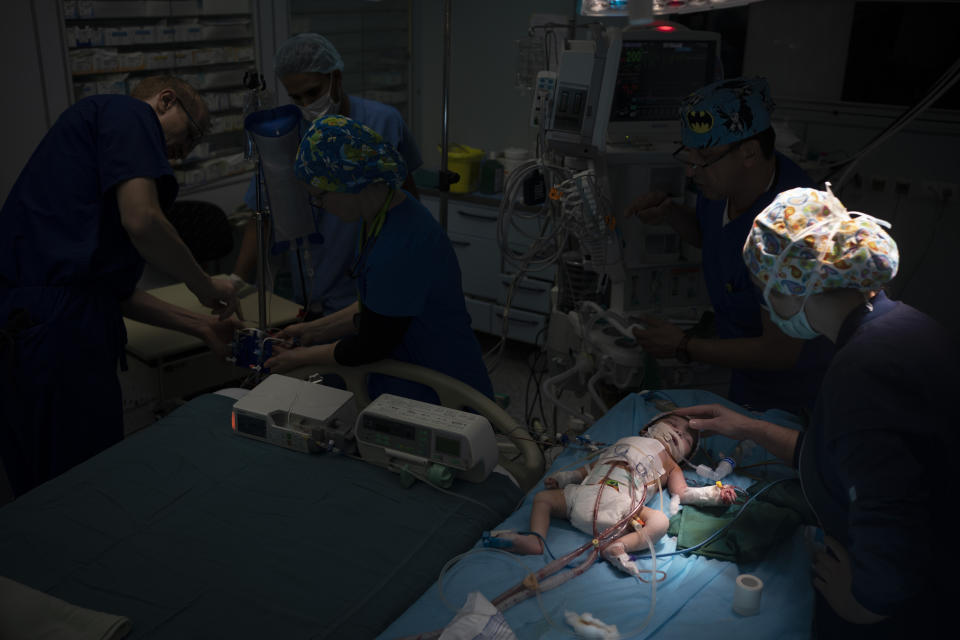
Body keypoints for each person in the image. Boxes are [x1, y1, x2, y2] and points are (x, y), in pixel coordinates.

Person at [675, 185, 955, 637]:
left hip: (915, 605)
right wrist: (750, 428)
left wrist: (866, 604)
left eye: (765, 290)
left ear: (792, 284)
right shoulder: (901, 325)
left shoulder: (865, 371)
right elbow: (851, 453)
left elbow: (890, 509)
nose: (767, 305)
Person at [0, 75, 243, 497]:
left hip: (56, 323)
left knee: (59, 477)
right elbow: (144, 220)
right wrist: (204, 284)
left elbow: (115, 293)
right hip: (52, 329)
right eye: (189, 137)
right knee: (72, 486)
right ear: (166, 101)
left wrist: (201, 327)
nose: (181, 155)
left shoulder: (91, 175)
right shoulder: (126, 113)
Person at [627, 77, 834, 413]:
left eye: (704, 158)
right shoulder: (722, 187)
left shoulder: (791, 227)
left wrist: (684, 346)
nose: (692, 171)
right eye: (688, 156)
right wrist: (671, 214)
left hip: (798, 397)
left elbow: (782, 350)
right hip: (749, 381)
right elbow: (717, 239)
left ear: (749, 152)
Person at [262, 115, 492, 404]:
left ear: (350, 181)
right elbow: (377, 305)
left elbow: (370, 345)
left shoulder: (401, 244)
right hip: (404, 375)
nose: (319, 206)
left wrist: (299, 358)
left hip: (439, 389)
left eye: (320, 196)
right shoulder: (381, 215)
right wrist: (311, 330)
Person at [231, 33, 423, 319]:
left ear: (336, 77)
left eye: (313, 92)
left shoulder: (383, 121)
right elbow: (263, 215)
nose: (307, 104)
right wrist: (236, 280)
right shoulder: (285, 136)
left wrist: (414, 254)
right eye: (296, 97)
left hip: (373, 274)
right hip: (314, 283)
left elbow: (407, 195)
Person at [493, 414, 736, 577]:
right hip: (585, 493)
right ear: (647, 428)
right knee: (543, 498)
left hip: (625, 508)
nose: (678, 432)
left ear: (685, 457)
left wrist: (714, 494)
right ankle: (536, 540)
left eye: (686, 438)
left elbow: (682, 493)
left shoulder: (672, 465)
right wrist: (567, 478)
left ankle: (618, 546)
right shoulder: (625, 441)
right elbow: (594, 467)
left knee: (660, 522)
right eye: (672, 424)